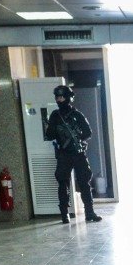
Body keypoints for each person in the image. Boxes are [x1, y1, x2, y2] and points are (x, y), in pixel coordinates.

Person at [43, 84, 100, 224]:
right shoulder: (55, 116)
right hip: (64, 154)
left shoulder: (77, 115)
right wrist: (57, 130)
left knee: (84, 182)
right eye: (57, 97)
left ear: (68, 98)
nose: (59, 100)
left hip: (78, 153)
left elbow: (88, 132)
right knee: (63, 183)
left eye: (62, 97)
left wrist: (76, 136)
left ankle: (89, 212)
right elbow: (49, 135)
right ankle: (64, 214)